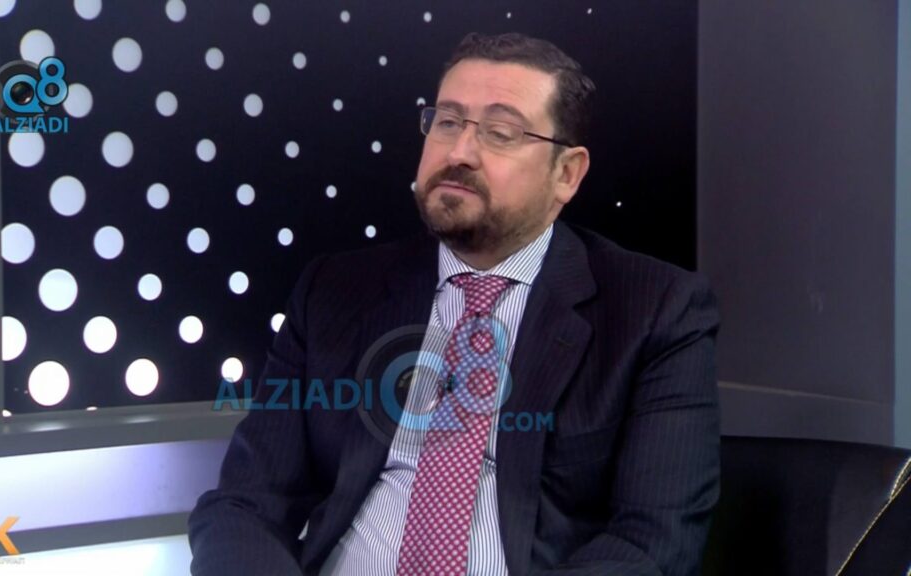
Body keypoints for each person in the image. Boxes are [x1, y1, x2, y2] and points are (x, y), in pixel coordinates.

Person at [189, 32, 720, 576]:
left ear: (566, 174)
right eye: (447, 122)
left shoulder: (656, 310)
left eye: (500, 133)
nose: (459, 153)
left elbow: (650, 541)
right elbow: (244, 505)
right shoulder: (334, 291)